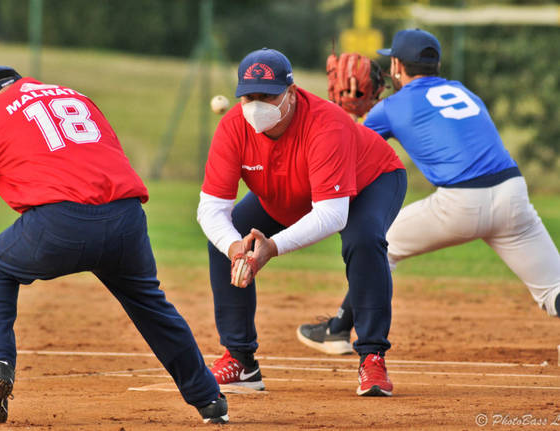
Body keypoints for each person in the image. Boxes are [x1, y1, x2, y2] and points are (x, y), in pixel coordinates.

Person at [0, 66, 228, 424]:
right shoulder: (75, 96)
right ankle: (209, 399)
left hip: (60, 225)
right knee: (148, 302)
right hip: (126, 218)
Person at [297, 28, 560, 356]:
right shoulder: (462, 91)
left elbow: (346, 150)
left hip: (461, 203)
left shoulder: (390, 107)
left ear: (396, 65)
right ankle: (337, 328)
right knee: (554, 288)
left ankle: (337, 330)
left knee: (380, 245)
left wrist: (348, 114)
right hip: (512, 193)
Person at [197, 48, 407, 397]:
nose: (257, 105)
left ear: (291, 93)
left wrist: (271, 248)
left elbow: (332, 215)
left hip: (370, 181)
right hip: (287, 194)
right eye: (249, 96)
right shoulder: (234, 126)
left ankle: (372, 357)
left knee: (364, 239)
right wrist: (236, 247)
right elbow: (211, 209)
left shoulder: (327, 123)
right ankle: (241, 360)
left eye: (268, 96)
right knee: (224, 239)